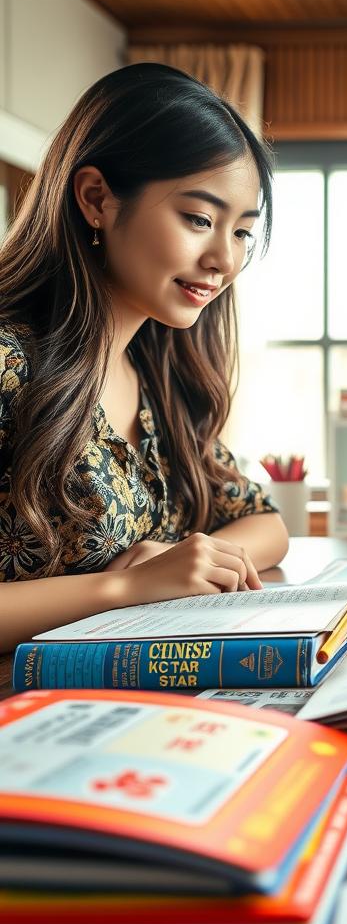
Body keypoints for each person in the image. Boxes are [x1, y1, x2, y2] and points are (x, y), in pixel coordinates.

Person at [0, 63, 289, 652]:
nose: (224, 261)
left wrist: (193, 559)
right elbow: (138, 585)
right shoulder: (10, 362)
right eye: (200, 219)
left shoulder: (160, 375)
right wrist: (124, 586)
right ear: (96, 198)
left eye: (241, 232)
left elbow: (267, 523)